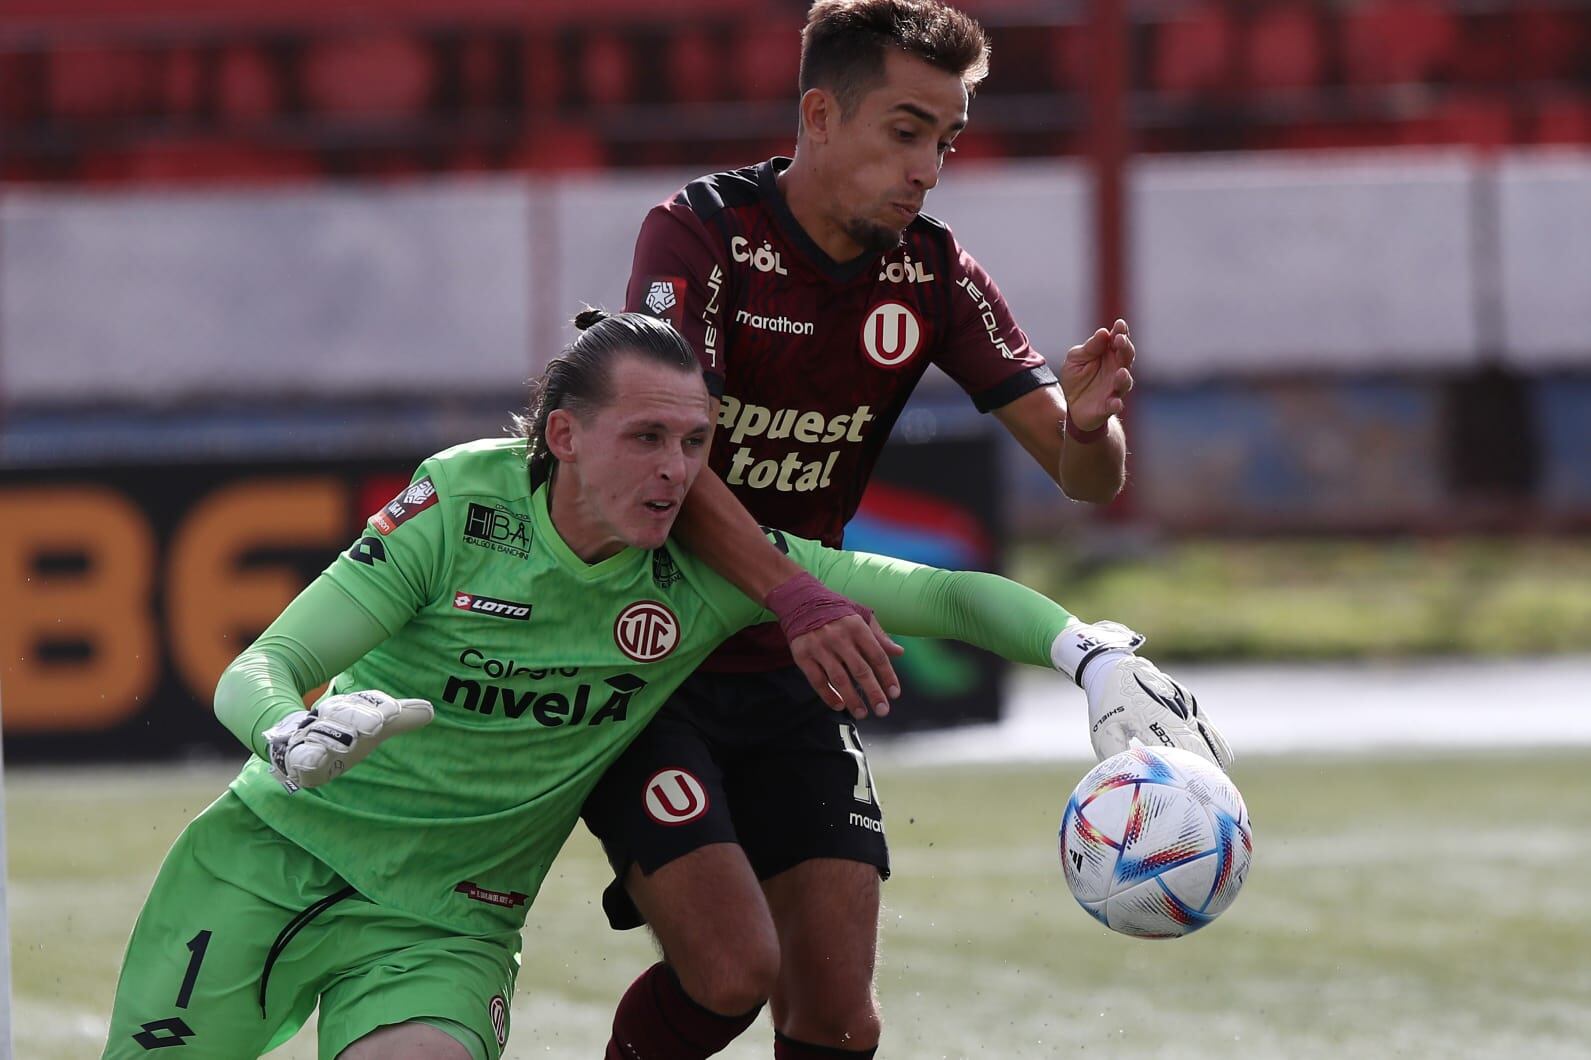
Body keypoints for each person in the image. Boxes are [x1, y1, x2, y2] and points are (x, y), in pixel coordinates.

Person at [101, 311, 1225, 1060]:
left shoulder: (706, 567)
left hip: (442, 925)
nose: (677, 470)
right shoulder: (459, 508)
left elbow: (938, 594)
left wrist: (1091, 653)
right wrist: (285, 730)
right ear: (562, 437)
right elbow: (263, 664)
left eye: (694, 441)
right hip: (269, 863)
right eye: (646, 437)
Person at [581, 2, 1229, 1058]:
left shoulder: (932, 273)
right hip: (649, 657)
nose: (928, 166)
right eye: (905, 130)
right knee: (732, 974)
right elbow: (662, 460)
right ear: (819, 115)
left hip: (796, 666)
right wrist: (795, 597)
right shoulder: (701, 235)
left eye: (947, 140)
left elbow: (1078, 480)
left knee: (838, 1015)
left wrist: (1093, 429)